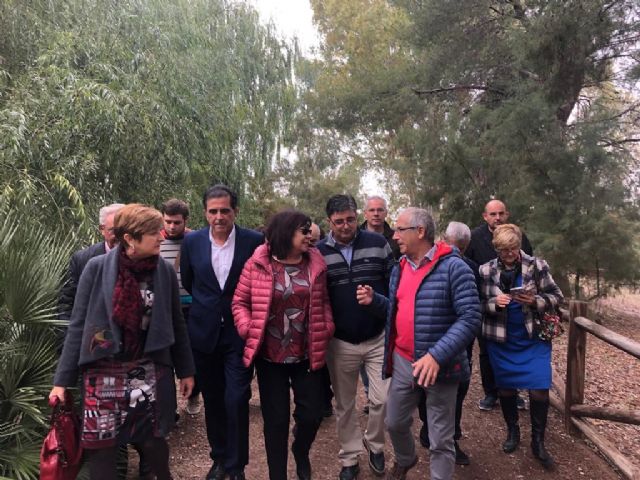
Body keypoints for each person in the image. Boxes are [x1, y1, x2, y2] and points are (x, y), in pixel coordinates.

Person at [49, 204, 195, 480]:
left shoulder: (162, 271)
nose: (161, 237)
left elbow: (177, 323)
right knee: (102, 448)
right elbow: (78, 325)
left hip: (149, 369)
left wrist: (186, 370)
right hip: (102, 370)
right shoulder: (96, 268)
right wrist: (61, 381)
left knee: (152, 443)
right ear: (130, 238)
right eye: (154, 233)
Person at [359, 208, 480, 480]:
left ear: (421, 232)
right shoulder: (400, 267)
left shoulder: (454, 267)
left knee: (440, 438)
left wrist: (437, 356)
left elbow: (471, 317)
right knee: (394, 422)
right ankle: (406, 459)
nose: (395, 236)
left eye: (401, 230)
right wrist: (375, 301)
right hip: (403, 361)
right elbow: (400, 310)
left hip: (441, 365)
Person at [232, 210, 335, 480]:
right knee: (276, 422)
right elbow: (240, 302)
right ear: (287, 233)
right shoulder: (257, 263)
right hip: (270, 357)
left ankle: (300, 451)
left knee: (312, 415)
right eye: (304, 231)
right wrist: (246, 327)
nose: (310, 235)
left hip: (306, 353)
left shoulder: (316, 262)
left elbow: (324, 301)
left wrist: (327, 326)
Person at [180, 185, 263, 480]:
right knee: (213, 399)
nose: (219, 217)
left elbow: (260, 282)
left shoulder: (254, 241)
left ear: (235, 211)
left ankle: (236, 464)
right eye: (213, 211)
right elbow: (189, 280)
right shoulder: (192, 242)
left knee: (237, 398)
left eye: (224, 211)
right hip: (204, 333)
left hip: (239, 333)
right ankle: (219, 459)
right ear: (205, 213)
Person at [316, 194, 393, 480]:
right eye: (339, 222)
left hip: (377, 337)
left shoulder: (378, 243)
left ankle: (375, 444)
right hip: (340, 341)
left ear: (356, 215)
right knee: (344, 403)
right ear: (329, 222)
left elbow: (394, 284)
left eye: (350, 219)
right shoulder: (318, 252)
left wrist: (380, 304)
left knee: (382, 399)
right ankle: (349, 456)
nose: (346, 226)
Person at [478, 224, 563, 470]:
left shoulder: (537, 266)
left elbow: (557, 296)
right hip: (501, 340)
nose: (509, 254)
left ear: (519, 246)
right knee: (506, 389)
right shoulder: (485, 270)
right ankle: (512, 432)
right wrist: (494, 303)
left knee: (539, 389)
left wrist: (535, 300)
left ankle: (538, 442)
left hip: (533, 339)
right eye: (503, 250)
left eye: (513, 249)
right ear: (496, 249)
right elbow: (478, 303)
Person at [417, 222, 480, 466]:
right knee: (439, 390)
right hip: (438, 342)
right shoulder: (428, 263)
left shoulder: (468, 267)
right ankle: (433, 431)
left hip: (458, 343)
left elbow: (473, 310)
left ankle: (446, 436)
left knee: (453, 391)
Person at [466, 199, 533, 411]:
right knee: (486, 350)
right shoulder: (474, 238)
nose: (497, 217)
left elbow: (529, 265)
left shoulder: (519, 236)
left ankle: (514, 391)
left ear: (507, 214)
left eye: (501, 213)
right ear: (485, 216)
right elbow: (466, 265)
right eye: (493, 214)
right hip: (485, 301)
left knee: (513, 349)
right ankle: (491, 393)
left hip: (516, 304)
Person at [159, 198, 201, 416]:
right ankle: (169, 406)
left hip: (191, 308)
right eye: (168, 222)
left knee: (192, 354)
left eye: (177, 222)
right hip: (164, 309)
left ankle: (194, 394)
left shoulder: (196, 241)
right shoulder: (154, 241)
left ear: (185, 221)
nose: (172, 226)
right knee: (166, 357)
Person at [58, 203, 125, 324]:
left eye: (124, 230)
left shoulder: (143, 259)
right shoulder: (82, 260)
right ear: (102, 229)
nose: (120, 236)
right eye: (114, 230)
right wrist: (70, 334)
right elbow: (66, 304)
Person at [360, 195, 401, 259]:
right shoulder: (355, 237)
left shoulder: (396, 238)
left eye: (380, 210)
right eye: (372, 210)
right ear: (365, 214)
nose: (376, 214)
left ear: (386, 213)